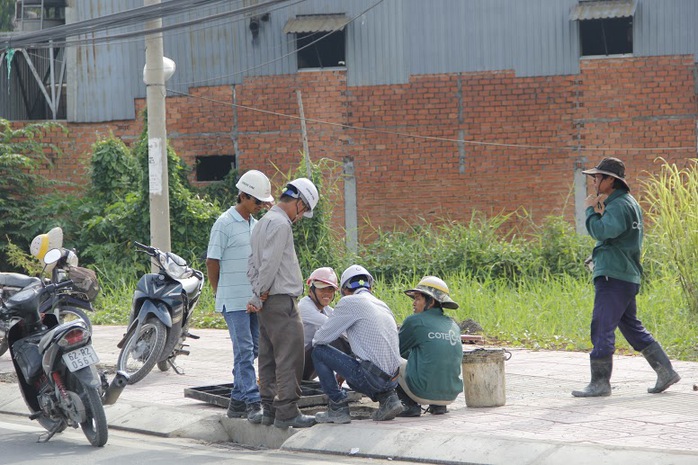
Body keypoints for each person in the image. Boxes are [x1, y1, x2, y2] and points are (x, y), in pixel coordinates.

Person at [573, 157, 680, 397]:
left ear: (611, 180)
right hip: (625, 275)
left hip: (614, 275)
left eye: (598, 178)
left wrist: (591, 209)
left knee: (601, 326)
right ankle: (666, 371)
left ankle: (600, 383)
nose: (594, 182)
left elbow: (601, 231)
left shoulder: (619, 205)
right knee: (631, 327)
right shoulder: (627, 203)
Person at [247, 177, 319, 428]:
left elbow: (252, 264)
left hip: (267, 304)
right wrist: (260, 292)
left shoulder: (261, 223)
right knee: (290, 357)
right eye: (305, 210)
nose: (301, 217)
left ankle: (269, 410)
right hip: (281, 302)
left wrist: (257, 292)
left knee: (267, 357)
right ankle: (287, 411)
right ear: (299, 202)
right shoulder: (281, 225)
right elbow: (270, 263)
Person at [206, 169, 274, 422]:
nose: (259, 206)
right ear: (243, 196)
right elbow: (212, 261)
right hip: (233, 301)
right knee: (244, 350)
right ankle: (252, 402)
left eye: (262, 203)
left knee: (254, 348)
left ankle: (236, 401)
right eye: (257, 201)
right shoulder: (224, 223)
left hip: (253, 300)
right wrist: (219, 292)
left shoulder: (256, 226)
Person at [312, 265, 404, 424]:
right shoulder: (382, 304)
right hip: (393, 380)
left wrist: (343, 363)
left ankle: (337, 407)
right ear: (370, 287)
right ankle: (389, 399)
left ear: (344, 290)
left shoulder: (349, 301)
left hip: (372, 379)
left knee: (318, 352)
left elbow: (320, 339)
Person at [396, 276, 463, 417]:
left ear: (431, 301)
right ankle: (438, 407)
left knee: (390, 360)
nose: (413, 303)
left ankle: (409, 405)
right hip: (449, 395)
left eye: (418, 299)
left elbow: (395, 351)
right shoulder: (453, 325)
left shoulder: (415, 321)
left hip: (420, 392)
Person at [299, 267, 351, 381]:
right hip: (295, 367)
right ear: (311, 290)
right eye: (322, 289)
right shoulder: (304, 306)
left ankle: (353, 375)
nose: (327, 293)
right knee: (333, 338)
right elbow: (333, 326)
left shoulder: (327, 309)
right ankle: (354, 375)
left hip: (308, 365)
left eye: (330, 289)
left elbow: (344, 329)